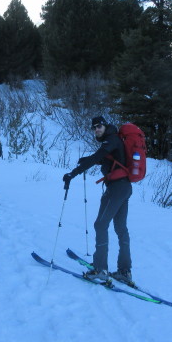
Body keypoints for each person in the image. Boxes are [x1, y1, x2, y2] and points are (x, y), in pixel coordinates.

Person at [62, 116, 134, 286]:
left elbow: (98, 156)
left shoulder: (111, 140)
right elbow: (105, 158)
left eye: (99, 126)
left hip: (116, 189)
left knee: (100, 225)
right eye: (94, 128)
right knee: (120, 228)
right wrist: (87, 160)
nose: (96, 130)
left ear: (105, 126)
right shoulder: (114, 140)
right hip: (124, 188)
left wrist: (73, 173)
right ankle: (125, 271)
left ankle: (100, 269)